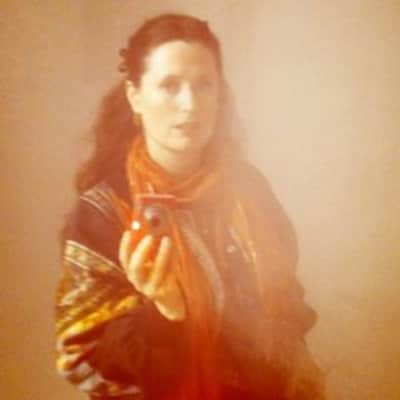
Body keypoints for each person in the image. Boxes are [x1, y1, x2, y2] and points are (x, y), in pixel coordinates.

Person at [55, 13, 325, 400]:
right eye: (170, 85)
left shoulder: (248, 189)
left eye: (204, 85)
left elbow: (289, 305)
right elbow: (84, 361)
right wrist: (163, 311)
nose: (190, 104)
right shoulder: (101, 214)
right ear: (135, 96)